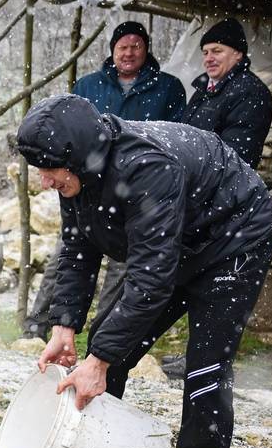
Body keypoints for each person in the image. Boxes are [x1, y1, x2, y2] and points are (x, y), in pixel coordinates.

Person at [15, 94, 272, 448]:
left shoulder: (147, 167)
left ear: (79, 156)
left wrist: (99, 360)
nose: (45, 181)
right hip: (174, 244)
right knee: (107, 342)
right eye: (40, 170)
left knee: (205, 371)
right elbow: (77, 248)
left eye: (50, 171)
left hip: (232, 239)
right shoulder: (76, 169)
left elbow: (151, 279)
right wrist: (64, 324)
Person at [23, 20, 185, 340]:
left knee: (123, 270)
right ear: (112, 51)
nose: (129, 53)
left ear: (146, 50)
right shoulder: (88, 86)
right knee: (70, 253)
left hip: (139, 190)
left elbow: (175, 136)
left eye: (136, 46)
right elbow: (67, 130)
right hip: (86, 183)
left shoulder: (167, 88)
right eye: (123, 46)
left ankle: (103, 336)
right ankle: (39, 327)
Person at [178, 18, 272, 168]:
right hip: (192, 175)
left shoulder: (251, 92)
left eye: (217, 51)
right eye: (205, 53)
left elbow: (236, 158)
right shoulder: (203, 89)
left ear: (238, 54)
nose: (208, 59)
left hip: (217, 180)